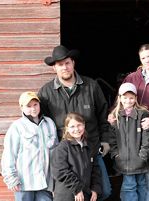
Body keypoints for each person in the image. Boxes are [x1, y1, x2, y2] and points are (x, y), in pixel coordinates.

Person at [37, 45, 112, 200]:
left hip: (90, 148)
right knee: (68, 195)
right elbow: (40, 123)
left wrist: (105, 140)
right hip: (63, 153)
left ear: (73, 63)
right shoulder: (46, 92)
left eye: (67, 63)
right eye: (60, 64)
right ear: (54, 68)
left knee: (103, 191)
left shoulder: (91, 86)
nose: (64, 67)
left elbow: (103, 115)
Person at [109, 44, 149, 201]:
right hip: (129, 132)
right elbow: (121, 97)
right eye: (143, 57)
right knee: (131, 176)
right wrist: (112, 114)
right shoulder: (132, 78)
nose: (146, 60)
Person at [1, 91, 58, 201]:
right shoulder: (17, 127)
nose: (33, 109)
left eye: (35, 104)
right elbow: (9, 154)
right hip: (25, 182)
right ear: (21, 108)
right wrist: (11, 178)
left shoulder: (49, 123)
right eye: (28, 106)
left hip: (45, 182)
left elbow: (55, 150)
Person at [108, 83, 149, 201]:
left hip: (140, 160)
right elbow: (112, 139)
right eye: (125, 97)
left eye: (131, 97)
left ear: (136, 98)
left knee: (142, 185)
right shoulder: (115, 116)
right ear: (120, 98)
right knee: (129, 186)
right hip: (124, 160)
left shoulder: (143, 114)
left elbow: (147, 138)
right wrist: (116, 154)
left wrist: (143, 156)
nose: (128, 100)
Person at [51, 112, 101, 201]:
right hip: (67, 195)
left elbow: (95, 170)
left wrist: (95, 188)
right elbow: (60, 171)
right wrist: (77, 189)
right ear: (67, 129)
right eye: (72, 126)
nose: (76, 129)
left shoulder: (89, 146)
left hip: (84, 195)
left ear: (84, 125)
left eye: (79, 125)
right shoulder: (63, 147)